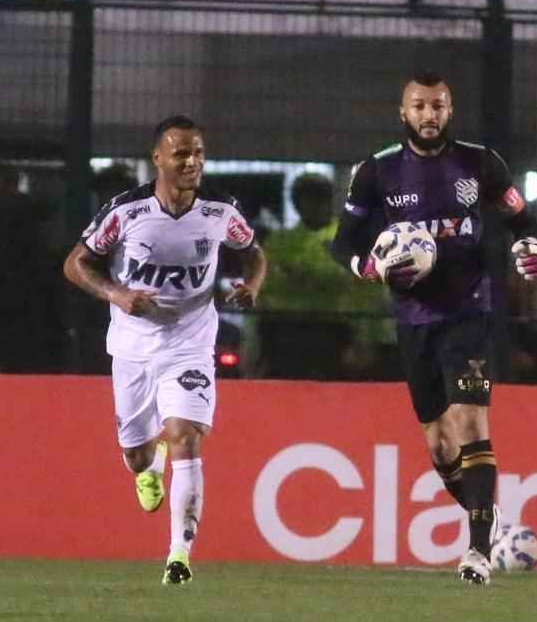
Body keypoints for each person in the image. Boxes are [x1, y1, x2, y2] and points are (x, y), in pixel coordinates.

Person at [329, 70, 537, 585]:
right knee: (440, 445)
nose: (430, 115)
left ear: (451, 111)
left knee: (471, 424)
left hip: (468, 313)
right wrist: (371, 266)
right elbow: (344, 243)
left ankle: (475, 553)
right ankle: (487, 522)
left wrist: (531, 246)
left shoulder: (480, 164)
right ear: (402, 112)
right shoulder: (376, 172)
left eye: (439, 106)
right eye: (420, 106)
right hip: (413, 320)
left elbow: (522, 218)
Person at [63, 115, 266, 585]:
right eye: (181, 153)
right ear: (157, 159)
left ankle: (179, 554)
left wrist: (252, 285)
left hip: (191, 344)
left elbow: (253, 251)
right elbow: (75, 264)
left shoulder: (220, 211)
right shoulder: (125, 212)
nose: (192, 162)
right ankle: (146, 464)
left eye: (198, 153)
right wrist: (118, 294)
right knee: (137, 455)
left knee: (185, 435)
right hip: (133, 349)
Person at [259, 172, 391, 377]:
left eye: (321, 196)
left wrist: (364, 338)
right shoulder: (280, 241)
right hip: (288, 332)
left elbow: (367, 288)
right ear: (297, 203)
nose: (315, 204)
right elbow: (268, 285)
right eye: (308, 197)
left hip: (338, 332)